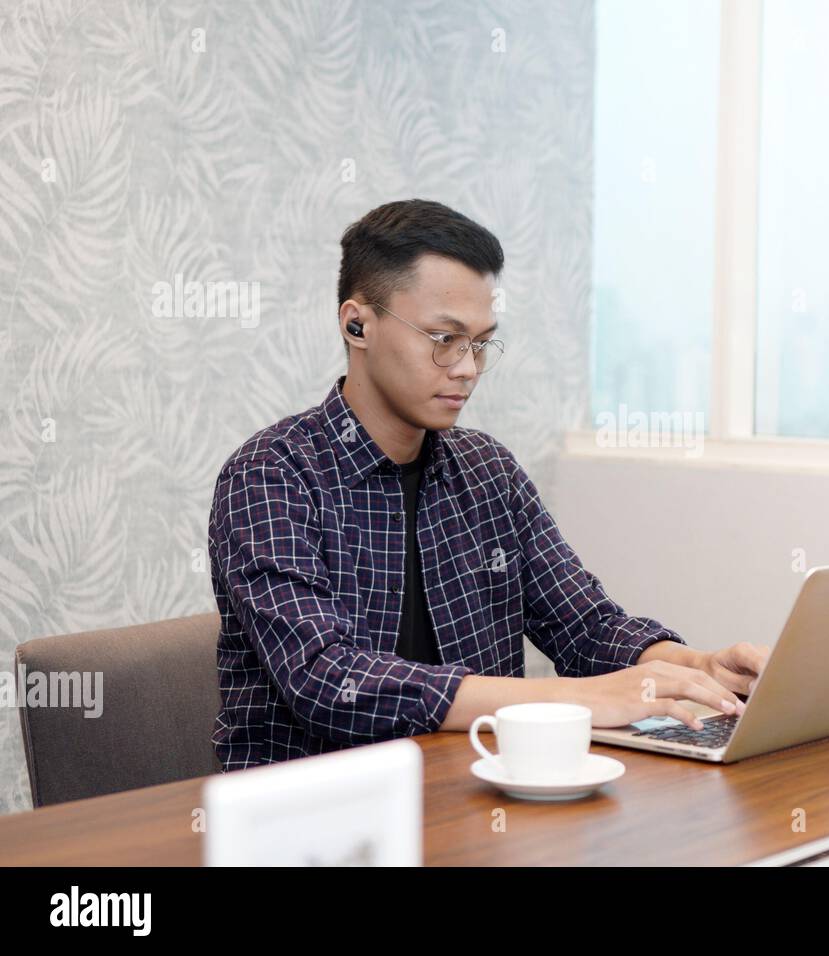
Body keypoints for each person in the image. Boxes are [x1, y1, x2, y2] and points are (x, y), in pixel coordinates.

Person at [208, 199, 769, 771]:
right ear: (358, 324)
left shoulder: (486, 470)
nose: (467, 368)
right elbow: (327, 680)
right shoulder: (271, 475)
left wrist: (693, 668)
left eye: (479, 342)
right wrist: (573, 698)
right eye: (443, 338)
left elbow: (584, 625)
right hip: (316, 819)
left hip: (477, 796)